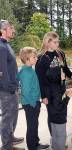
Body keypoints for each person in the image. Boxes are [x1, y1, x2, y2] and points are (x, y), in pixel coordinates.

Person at [35, 32, 72, 150]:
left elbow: (65, 68)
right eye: (55, 42)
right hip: (49, 92)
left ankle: (59, 140)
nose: (58, 44)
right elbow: (40, 79)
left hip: (61, 89)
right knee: (52, 115)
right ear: (48, 42)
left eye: (58, 41)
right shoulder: (41, 58)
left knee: (61, 111)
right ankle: (55, 140)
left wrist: (71, 75)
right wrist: (43, 96)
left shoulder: (60, 53)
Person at [17, 47, 50, 150]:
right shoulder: (27, 73)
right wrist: (34, 103)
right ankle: (32, 146)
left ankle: (35, 143)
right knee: (32, 126)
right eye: (34, 57)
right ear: (27, 59)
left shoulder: (27, 69)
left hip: (32, 102)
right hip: (31, 103)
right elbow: (26, 91)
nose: (36, 59)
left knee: (34, 124)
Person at [0, 20, 24, 150]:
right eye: (10, 27)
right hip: (6, 90)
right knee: (7, 118)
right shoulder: (1, 47)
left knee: (13, 115)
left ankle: (11, 138)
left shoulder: (6, 44)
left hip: (12, 88)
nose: (13, 30)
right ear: (3, 30)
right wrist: (10, 89)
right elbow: (1, 73)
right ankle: (7, 146)